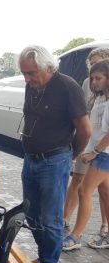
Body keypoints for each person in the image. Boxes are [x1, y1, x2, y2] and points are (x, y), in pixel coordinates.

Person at [18, 45, 91, 263]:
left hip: (55, 159)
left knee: (51, 218)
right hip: (30, 159)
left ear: (48, 67)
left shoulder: (68, 87)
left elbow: (85, 130)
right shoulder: (32, 87)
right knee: (31, 213)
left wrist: (70, 155)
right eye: (24, 74)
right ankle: (44, 254)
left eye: (31, 73)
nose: (27, 79)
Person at [63, 59, 109, 250]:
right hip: (98, 152)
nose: (94, 82)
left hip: (105, 154)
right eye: (92, 78)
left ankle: (76, 236)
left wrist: (95, 152)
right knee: (105, 193)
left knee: (84, 191)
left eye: (98, 78)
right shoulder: (100, 98)